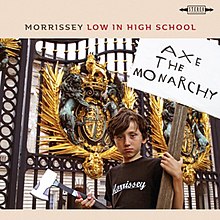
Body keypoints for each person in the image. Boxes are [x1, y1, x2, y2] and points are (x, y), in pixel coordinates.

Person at [75, 108, 183, 209]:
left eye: (132, 135)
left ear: (144, 138)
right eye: (120, 137)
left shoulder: (157, 166)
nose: (126, 143)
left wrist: (177, 177)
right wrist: (94, 205)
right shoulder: (112, 174)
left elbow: (176, 210)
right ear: (114, 141)